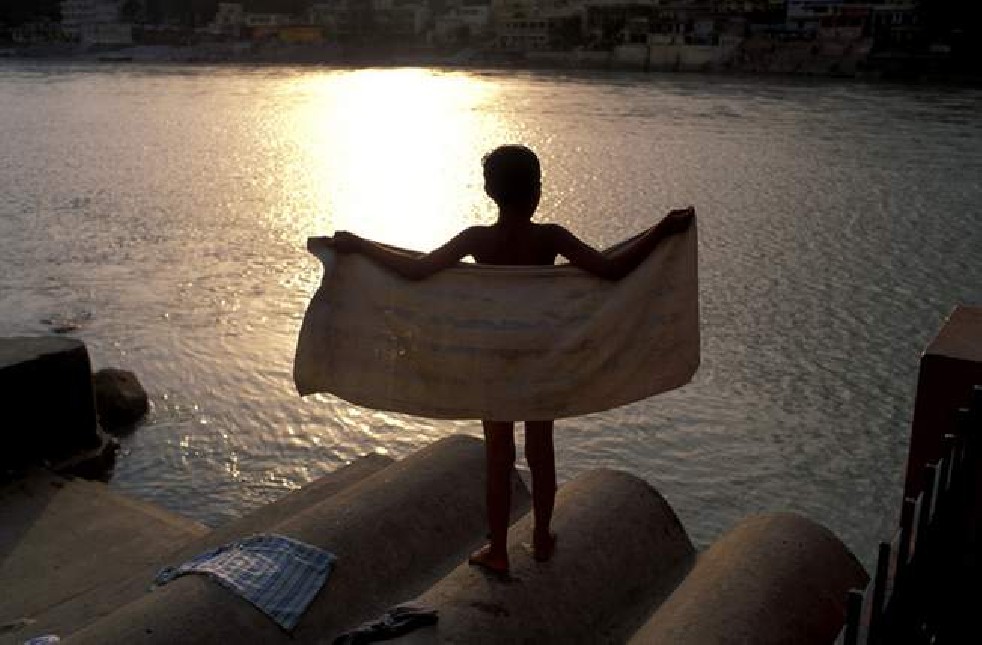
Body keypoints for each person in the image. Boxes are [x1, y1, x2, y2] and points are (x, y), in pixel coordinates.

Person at [331, 144, 694, 575]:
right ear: (537, 191)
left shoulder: (477, 239)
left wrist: (361, 247)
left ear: (489, 191)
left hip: (494, 364)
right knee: (542, 451)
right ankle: (541, 539)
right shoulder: (550, 237)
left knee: (498, 457)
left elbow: (416, 271)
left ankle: (499, 550)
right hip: (541, 360)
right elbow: (612, 270)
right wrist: (662, 230)